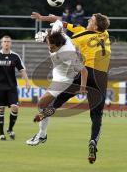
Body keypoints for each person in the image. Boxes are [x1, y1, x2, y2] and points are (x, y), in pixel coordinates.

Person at [29, 12, 111, 164]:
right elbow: (61, 22)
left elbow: (61, 38)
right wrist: (46, 19)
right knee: (97, 115)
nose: (88, 20)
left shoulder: (82, 35)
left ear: (95, 25)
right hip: (101, 78)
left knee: (61, 98)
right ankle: (93, 142)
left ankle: (48, 111)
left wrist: (46, 36)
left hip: (87, 71)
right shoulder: (105, 33)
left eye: (91, 20)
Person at [26, 29, 88, 146]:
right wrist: (42, 21)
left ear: (59, 46)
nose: (50, 48)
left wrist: (82, 87)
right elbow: (57, 20)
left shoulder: (68, 54)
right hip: (58, 73)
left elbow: (84, 71)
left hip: (63, 80)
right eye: (49, 44)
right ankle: (42, 133)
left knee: (41, 104)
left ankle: (41, 134)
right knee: (45, 106)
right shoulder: (57, 35)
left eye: (52, 47)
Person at [0, 35, 30, 140]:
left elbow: (22, 70)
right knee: (1, 109)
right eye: (4, 41)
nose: (6, 43)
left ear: (11, 43)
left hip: (12, 86)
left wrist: (27, 82)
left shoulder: (15, 56)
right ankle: (1, 133)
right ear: (1, 43)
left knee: (15, 107)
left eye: (8, 41)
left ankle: (10, 129)